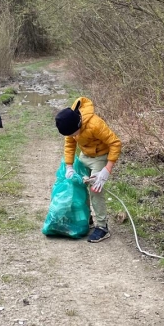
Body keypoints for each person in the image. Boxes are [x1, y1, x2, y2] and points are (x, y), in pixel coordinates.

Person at [55, 97, 122, 243]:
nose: (73, 137)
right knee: (78, 185)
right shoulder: (70, 126)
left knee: (95, 189)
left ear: (79, 123)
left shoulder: (95, 124)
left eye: (74, 134)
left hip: (100, 156)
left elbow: (115, 143)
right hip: (84, 155)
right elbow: (70, 145)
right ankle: (86, 218)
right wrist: (69, 166)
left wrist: (107, 169)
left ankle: (102, 227)